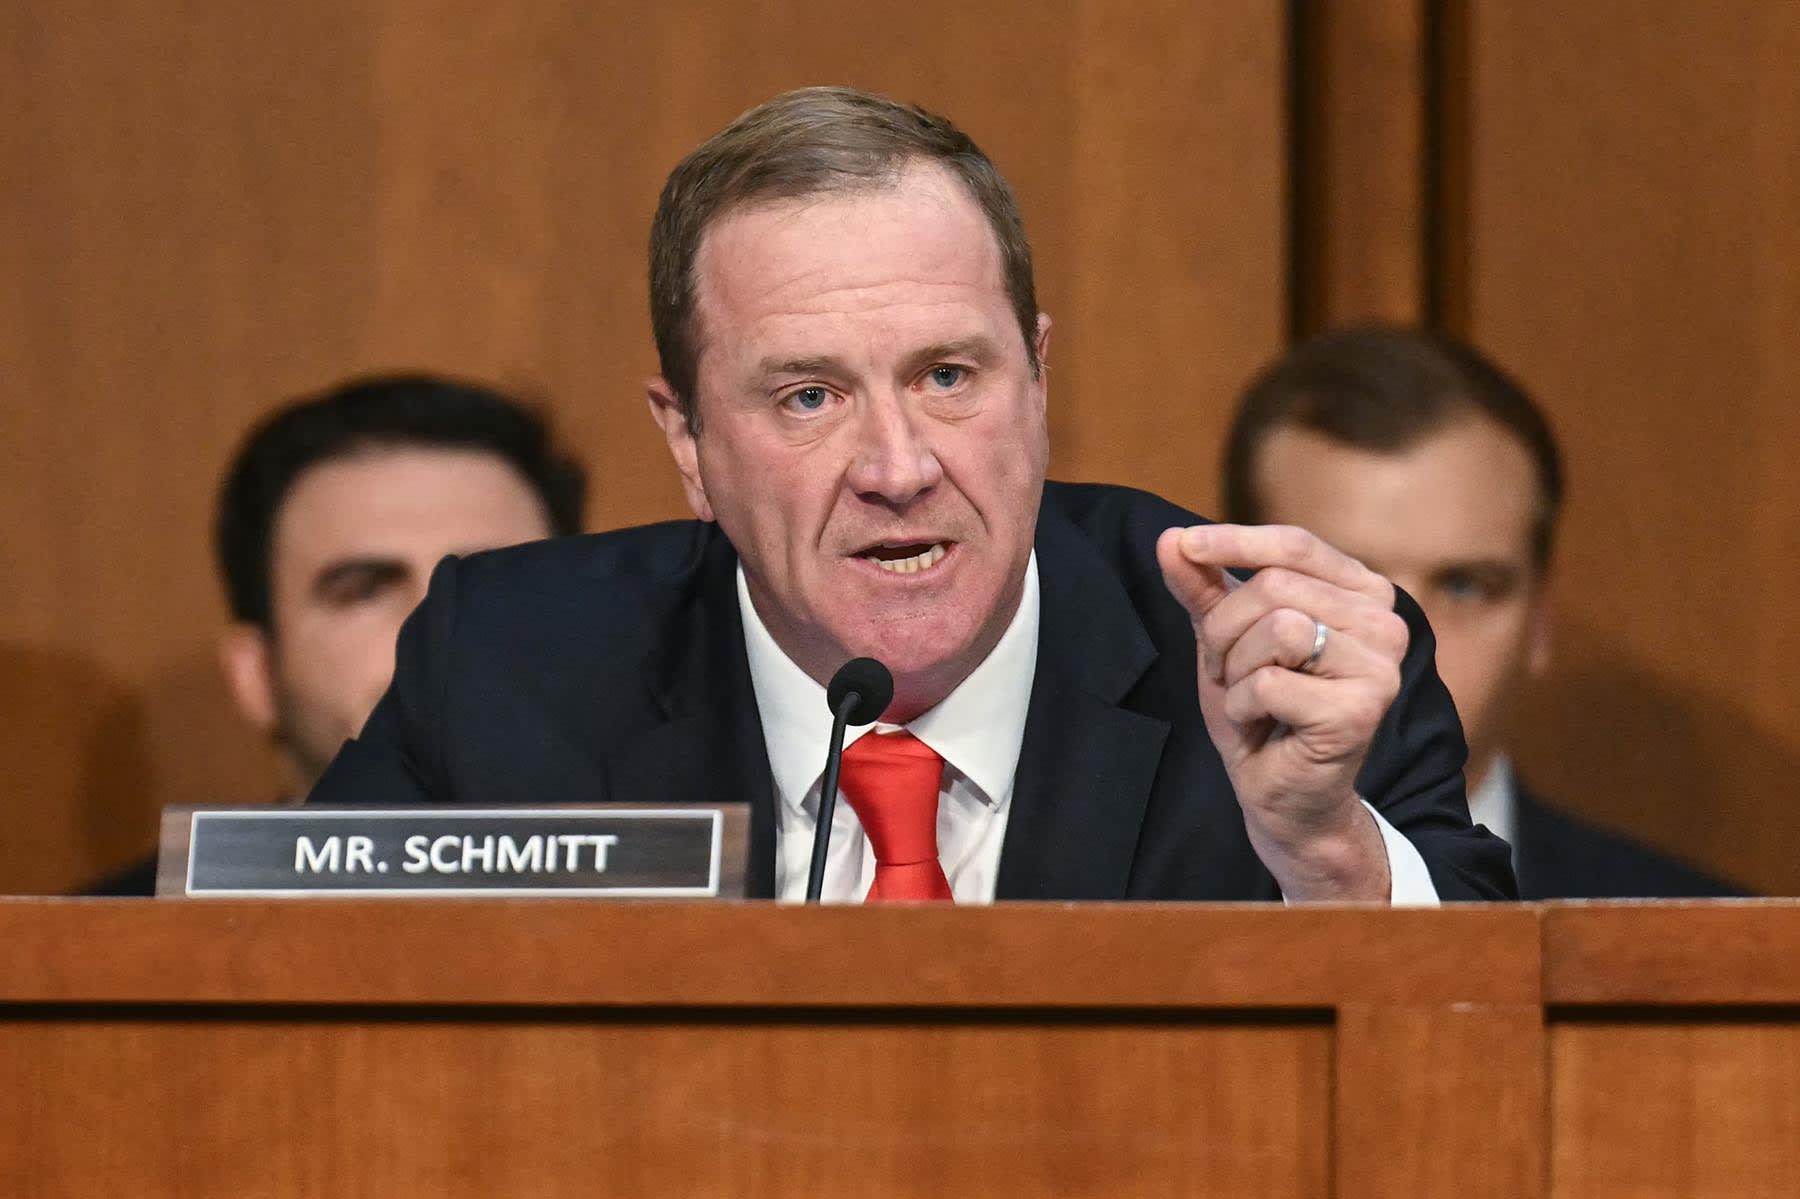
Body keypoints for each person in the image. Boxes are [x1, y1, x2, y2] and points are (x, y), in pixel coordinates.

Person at [309, 87, 1515, 904]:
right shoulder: (508, 670)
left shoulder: (1273, 669)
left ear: (1038, 377)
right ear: (686, 441)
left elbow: (1487, 1075)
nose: (898, 467)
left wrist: (1326, 853)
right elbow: (278, 996)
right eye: (807, 398)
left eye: (948, 376)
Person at [1222, 325, 1739, 898]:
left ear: (1539, 620)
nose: (1402, 642)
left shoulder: (1718, 952)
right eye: (1343, 581)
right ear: (1238, 600)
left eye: (1465, 586)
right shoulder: (1119, 905)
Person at [83, 374, 587, 894]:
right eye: (364, 590)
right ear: (256, 673)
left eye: (495, 581)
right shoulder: (70, 959)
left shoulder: (675, 926)